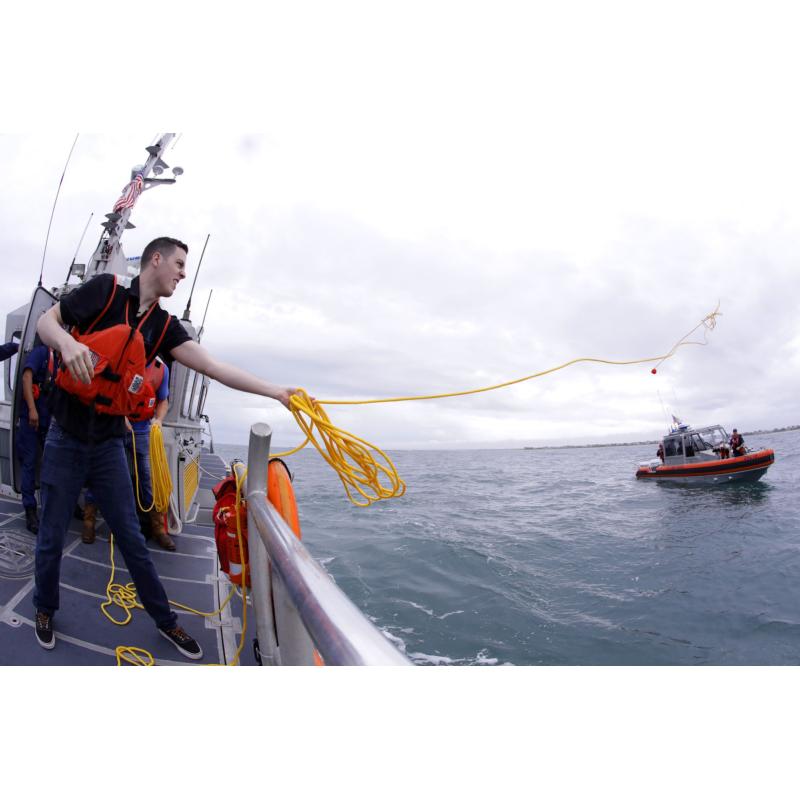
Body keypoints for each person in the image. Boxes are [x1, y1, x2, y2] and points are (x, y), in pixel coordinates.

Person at [33, 236, 297, 660]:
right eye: (178, 263)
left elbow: (213, 367)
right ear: (155, 259)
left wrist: (276, 392)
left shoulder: (163, 327)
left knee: (134, 539)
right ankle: (44, 609)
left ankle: (165, 620)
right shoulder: (103, 291)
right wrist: (67, 344)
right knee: (49, 537)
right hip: (65, 436)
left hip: (107, 444)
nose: (182, 272)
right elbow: (48, 322)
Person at [125, 357, 175, 551]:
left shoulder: (161, 369)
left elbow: (163, 400)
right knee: (107, 475)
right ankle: (89, 523)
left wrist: (159, 420)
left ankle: (156, 528)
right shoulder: (125, 356)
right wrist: (121, 417)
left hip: (143, 429)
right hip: (116, 427)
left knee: (146, 478)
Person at [18, 343, 58, 534]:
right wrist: (32, 410)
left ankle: (56, 506)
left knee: (54, 464)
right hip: (31, 419)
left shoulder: (60, 359)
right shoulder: (41, 352)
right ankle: (30, 509)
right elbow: (27, 377)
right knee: (29, 462)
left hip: (48, 420)